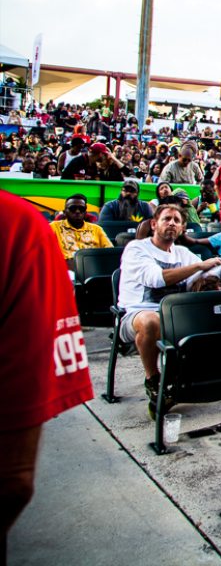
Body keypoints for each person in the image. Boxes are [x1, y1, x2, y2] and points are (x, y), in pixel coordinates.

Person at [0, 191, 94, 550]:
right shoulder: (18, 226)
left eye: (82, 209)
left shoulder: (17, 226)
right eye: (72, 209)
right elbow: (12, 480)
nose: (78, 213)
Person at [118, 204, 221, 417]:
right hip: (138, 313)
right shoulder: (137, 249)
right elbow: (156, 279)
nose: (172, 223)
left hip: (179, 315)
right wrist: (200, 266)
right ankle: (153, 379)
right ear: (154, 224)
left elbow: (203, 275)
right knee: (151, 321)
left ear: (182, 228)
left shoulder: (182, 253)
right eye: (167, 219)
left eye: (177, 221)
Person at [51, 194, 112, 269]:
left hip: (92, 269)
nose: (77, 211)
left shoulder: (97, 229)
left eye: (81, 209)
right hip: (64, 269)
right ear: (65, 212)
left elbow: (110, 252)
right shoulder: (54, 227)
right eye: (73, 208)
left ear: (86, 212)